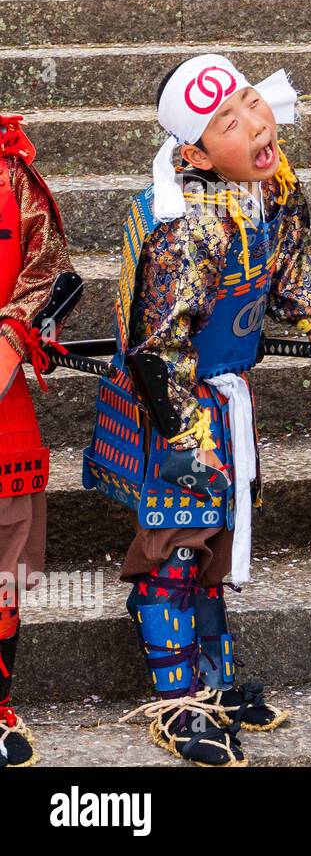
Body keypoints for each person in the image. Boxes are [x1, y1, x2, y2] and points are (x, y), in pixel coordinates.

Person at [84, 55, 311, 764]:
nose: (255, 124)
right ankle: (177, 702)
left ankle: (215, 680)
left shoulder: (275, 187)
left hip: (226, 393)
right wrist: (186, 434)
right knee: (176, 548)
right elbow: (156, 345)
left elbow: (288, 270)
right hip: (172, 402)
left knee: (215, 541)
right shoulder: (190, 224)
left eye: (248, 104)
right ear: (197, 153)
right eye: (227, 123)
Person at [0, 114, 78, 767]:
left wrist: (11, 336)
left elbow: (48, 262)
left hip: (0, 396)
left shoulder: (11, 175)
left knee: (6, 554)